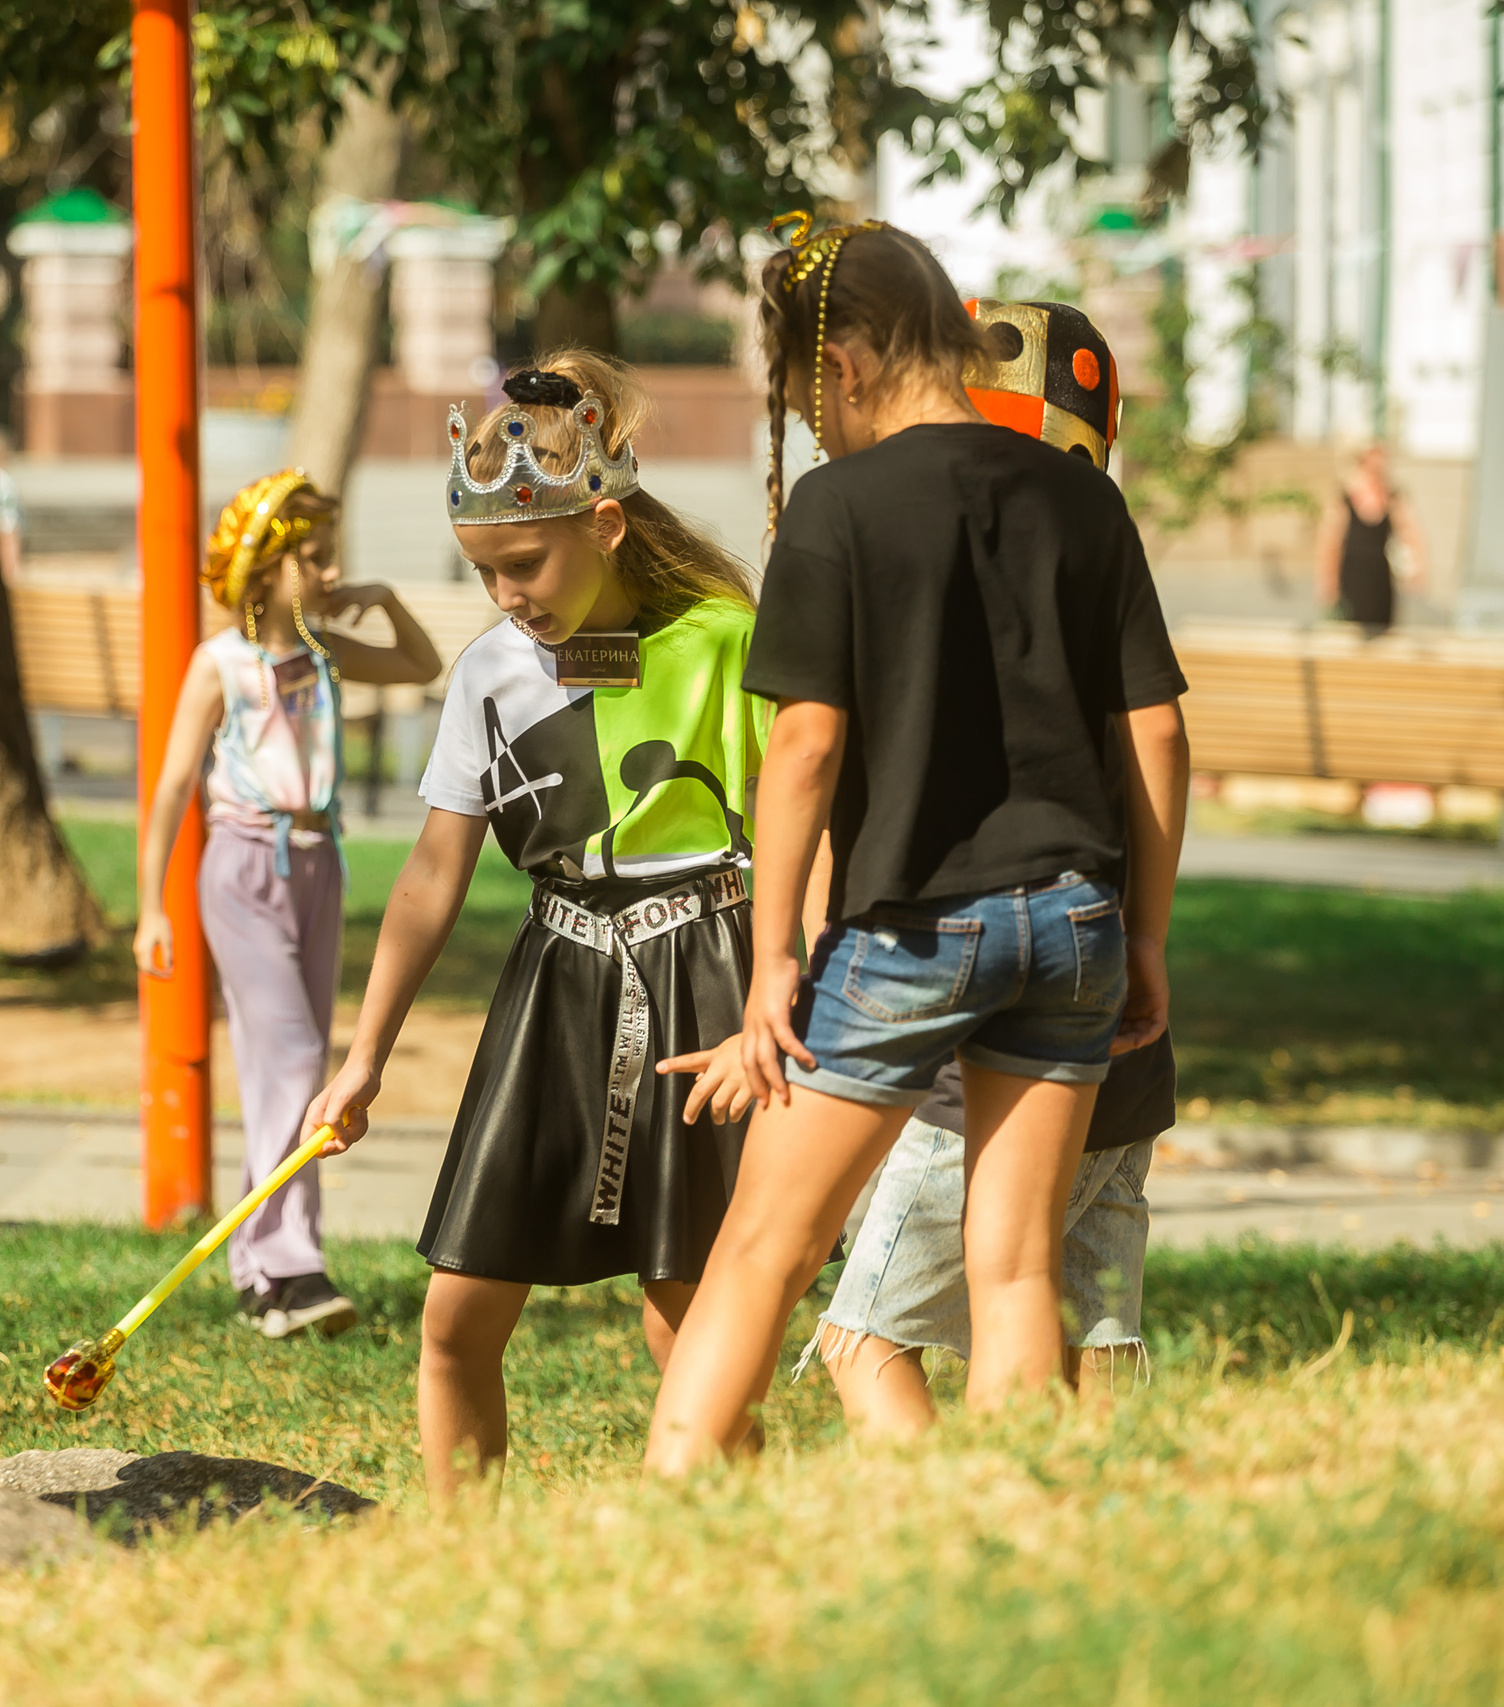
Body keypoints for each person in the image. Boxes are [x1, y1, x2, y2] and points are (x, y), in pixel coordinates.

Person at [642, 219, 1192, 1474]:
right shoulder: (1079, 500)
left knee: (762, 1250)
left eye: (798, 397)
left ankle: (665, 1508)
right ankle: (1012, 1532)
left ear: (843, 362)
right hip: (1073, 925)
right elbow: (1154, 730)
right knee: (1012, 1273)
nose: (810, 426)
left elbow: (805, 751)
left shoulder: (837, 510)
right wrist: (1144, 934)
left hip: (909, 934)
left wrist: (772, 953)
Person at [302, 351, 772, 1499]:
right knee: (457, 1315)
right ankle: (469, 1556)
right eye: (485, 575)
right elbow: (428, 877)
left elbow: (803, 819)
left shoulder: (724, 638)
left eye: (525, 564)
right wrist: (361, 1059)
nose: (508, 596)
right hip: (553, 981)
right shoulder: (490, 674)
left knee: (684, 1324)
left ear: (605, 523)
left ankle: (741, 1543)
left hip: (705, 975)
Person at [135, 469, 442, 1340]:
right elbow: (169, 790)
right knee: (299, 1058)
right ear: (267, 568)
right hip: (243, 865)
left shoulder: (325, 655)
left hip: (318, 864)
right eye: (314, 557)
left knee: (293, 1069)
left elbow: (420, 664)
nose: (331, 569)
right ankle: (285, 1263)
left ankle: (267, 1266)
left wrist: (380, 598)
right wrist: (152, 905)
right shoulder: (220, 664)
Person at [1314, 443, 1428, 634]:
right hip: (1351, 576)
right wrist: (1327, 579)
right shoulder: (1345, 498)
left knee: (1382, 631)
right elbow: (1330, 543)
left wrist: (1417, 569)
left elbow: (1412, 535)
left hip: (1380, 577)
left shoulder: (1393, 498)